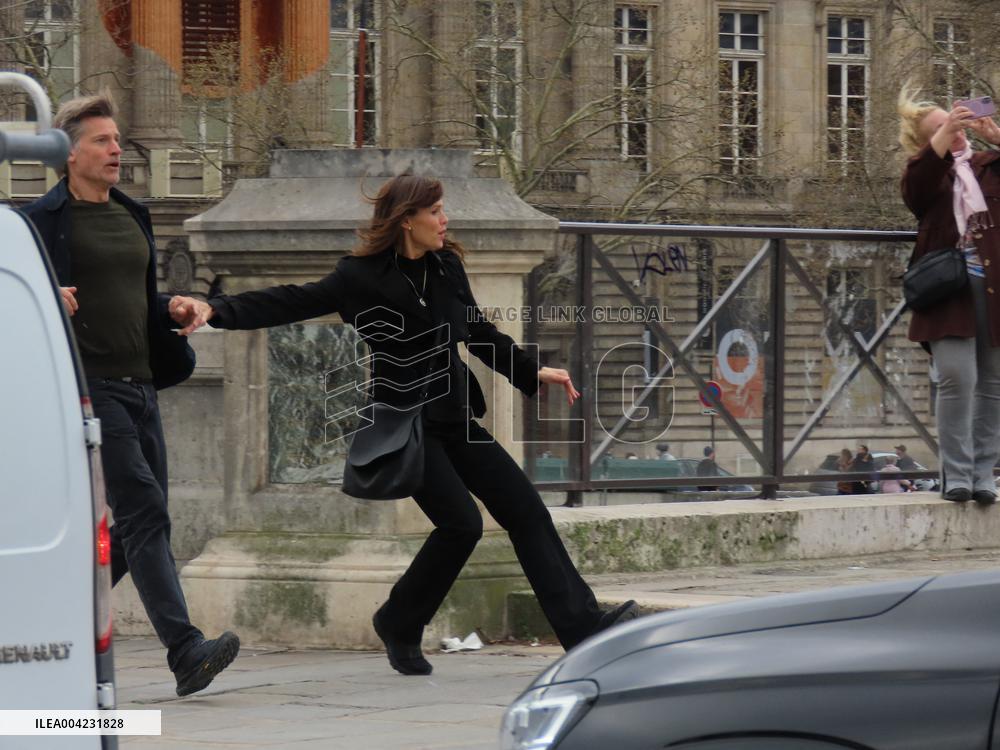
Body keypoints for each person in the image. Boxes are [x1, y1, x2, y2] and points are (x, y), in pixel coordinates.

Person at [168, 174, 639, 675]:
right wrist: (215, 309)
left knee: (526, 511)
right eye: (436, 211)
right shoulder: (361, 277)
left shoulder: (446, 267)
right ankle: (400, 621)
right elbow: (292, 299)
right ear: (407, 219)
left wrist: (531, 369)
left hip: (455, 415)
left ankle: (584, 631)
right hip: (406, 422)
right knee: (462, 524)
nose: (445, 220)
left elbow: (477, 331)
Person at [21, 93, 239, 696]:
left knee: (141, 521)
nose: (117, 149)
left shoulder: (133, 213)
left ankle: (50, 614)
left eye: (117, 140)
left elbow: (135, 298)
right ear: (69, 153)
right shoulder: (39, 221)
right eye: (102, 141)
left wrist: (169, 304)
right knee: (144, 510)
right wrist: (44, 295)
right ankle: (185, 649)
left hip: (141, 384)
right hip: (88, 389)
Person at [898, 84, 1000, 504]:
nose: (955, 128)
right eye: (941, 126)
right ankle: (955, 474)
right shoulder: (924, 174)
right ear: (925, 141)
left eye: (957, 122)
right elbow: (917, 190)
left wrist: (996, 137)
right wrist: (942, 138)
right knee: (958, 377)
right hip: (949, 293)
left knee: (993, 384)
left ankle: (984, 475)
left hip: (993, 289)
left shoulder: (988, 166)